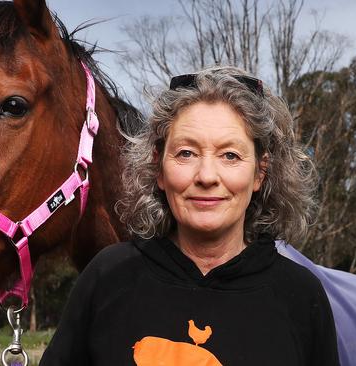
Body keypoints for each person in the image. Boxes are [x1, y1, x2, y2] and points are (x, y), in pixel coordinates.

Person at [39, 66, 340, 366]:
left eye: (230, 156)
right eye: (186, 153)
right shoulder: (108, 277)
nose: (207, 176)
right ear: (158, 167)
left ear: (260, 172)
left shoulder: (300, 296)